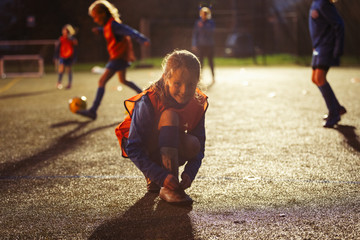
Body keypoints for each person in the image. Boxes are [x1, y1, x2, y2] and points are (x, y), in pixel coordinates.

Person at [115, 50, 208, 205]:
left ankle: (163, 178)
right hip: (143, 146)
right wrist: (161, 176)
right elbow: (133, 147)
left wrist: (189, 173)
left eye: (191, 84)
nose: (184, 91)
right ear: (166, 79)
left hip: (167, 142)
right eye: (177, 83)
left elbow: (200, 146)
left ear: (197, 82)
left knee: (193, 144)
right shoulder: (148, 101)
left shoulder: (197, 102)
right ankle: (167, 187)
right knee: (169, 116)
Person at [77, 0, 150, 120]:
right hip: (118, 57)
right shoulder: (107, 26)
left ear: (103, 14)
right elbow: (108, 31)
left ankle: (93, 110)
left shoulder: (114, 25)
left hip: (118, 57)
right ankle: (145, 97)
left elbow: (129, 31)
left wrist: (142, 39)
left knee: (102, 81)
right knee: (123, 80)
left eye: (95, 16)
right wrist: (99, 30)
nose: (95, 20)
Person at [309, 0, 346, 128]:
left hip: (326, 47)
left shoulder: (324, 4)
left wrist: (338, 48)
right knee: (314, 79)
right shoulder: (316, 3)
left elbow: (339, 24)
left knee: (320, 78)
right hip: (318, 47)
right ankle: (337, 108)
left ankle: (334, 114)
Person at [192, 6, 215, 86]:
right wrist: (194, 44)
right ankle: (200, 78)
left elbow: (211, 32)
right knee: (200, 62)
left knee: (210, 62)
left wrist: (204, 26)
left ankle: (213, 77)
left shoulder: (211, 22)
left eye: (205, 14)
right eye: (202, 14)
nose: (204, 15)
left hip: (209, 45)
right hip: (201, 45)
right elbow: (195, 34)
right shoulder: (198, 23)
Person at [55, 24, 78, 89]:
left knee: (69, 70)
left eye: (66, 31)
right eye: (64, 31)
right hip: (62, 56)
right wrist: (55, 57)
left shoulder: (72, 40)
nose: (64, 32)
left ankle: (69, 84)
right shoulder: (61, 39)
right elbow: (57, 48)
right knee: (61, 70)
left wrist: (75, 58)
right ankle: (59, 82)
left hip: (69, 57)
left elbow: (75, 49)